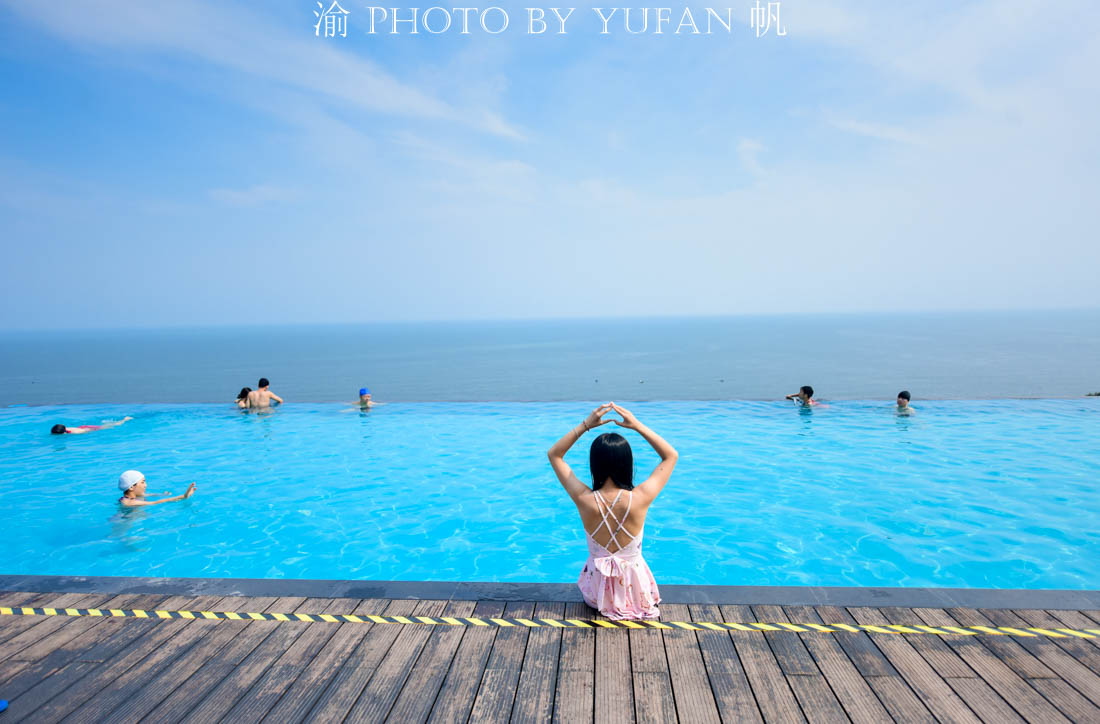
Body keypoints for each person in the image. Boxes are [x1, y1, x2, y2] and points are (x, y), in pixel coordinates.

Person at [548, 402, 677, 620]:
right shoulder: (641, 498)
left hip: (596, 596)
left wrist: (585, 425)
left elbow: (554, 455)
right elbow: (671, 455)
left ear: (594, 464)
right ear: (628, 463)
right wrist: (637, 425)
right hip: (637, 595)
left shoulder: (584, 499)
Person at [117, 470, 196, 507]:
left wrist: (162, 494)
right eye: (142, 482)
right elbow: (156, 502)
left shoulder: (134, 496)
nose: (146, 485)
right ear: (131, 487)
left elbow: (148, 495)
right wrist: (184, 496)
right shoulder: (129, 502)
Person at [51, 417, 132, 435]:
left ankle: (125, 419)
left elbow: (86, 430)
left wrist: (95, 430)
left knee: (111, 425)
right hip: (82, 427)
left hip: (86, 428)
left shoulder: (76, 432)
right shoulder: (63, 429)